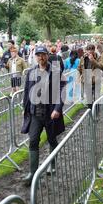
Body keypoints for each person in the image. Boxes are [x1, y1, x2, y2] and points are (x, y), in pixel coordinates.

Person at [21, 46, 66, 186]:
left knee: (52, 139)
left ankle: (52, 164)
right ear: (35, 57)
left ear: (47, 56)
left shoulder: (56, 71)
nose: (41, 57)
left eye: (43, 55)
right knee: (33, 140)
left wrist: (58, 109)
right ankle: (32, 173)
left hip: (50, 113)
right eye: (38, 55)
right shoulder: (31, 72)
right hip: (35, 113)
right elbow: (27, 91)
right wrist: (26, 108)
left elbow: (62, 91)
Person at [78, 44, 103, 109]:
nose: (90, 51)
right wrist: (79, 76)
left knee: (96, 99)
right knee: (89, 100)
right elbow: (79, 68)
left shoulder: (98, 57)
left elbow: (102, 67)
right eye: (88, 50)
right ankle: (90, 114)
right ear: (86, 50)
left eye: (91, 49)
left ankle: (97, 115)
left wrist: (93, 60)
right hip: (86, 80)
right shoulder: (83, 58)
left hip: (96, 81)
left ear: (94, 50)